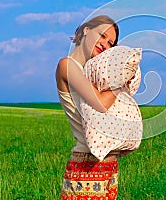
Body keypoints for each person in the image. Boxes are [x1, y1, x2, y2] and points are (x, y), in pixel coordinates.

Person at [55, 15, 125, 200]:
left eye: (110, 43)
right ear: (86, 30)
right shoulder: (67, 65)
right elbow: (101, 103)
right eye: (102, 35)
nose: (105, 44)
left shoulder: (91, 73)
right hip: (86, 166)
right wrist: (121, 84)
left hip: (108, 164)